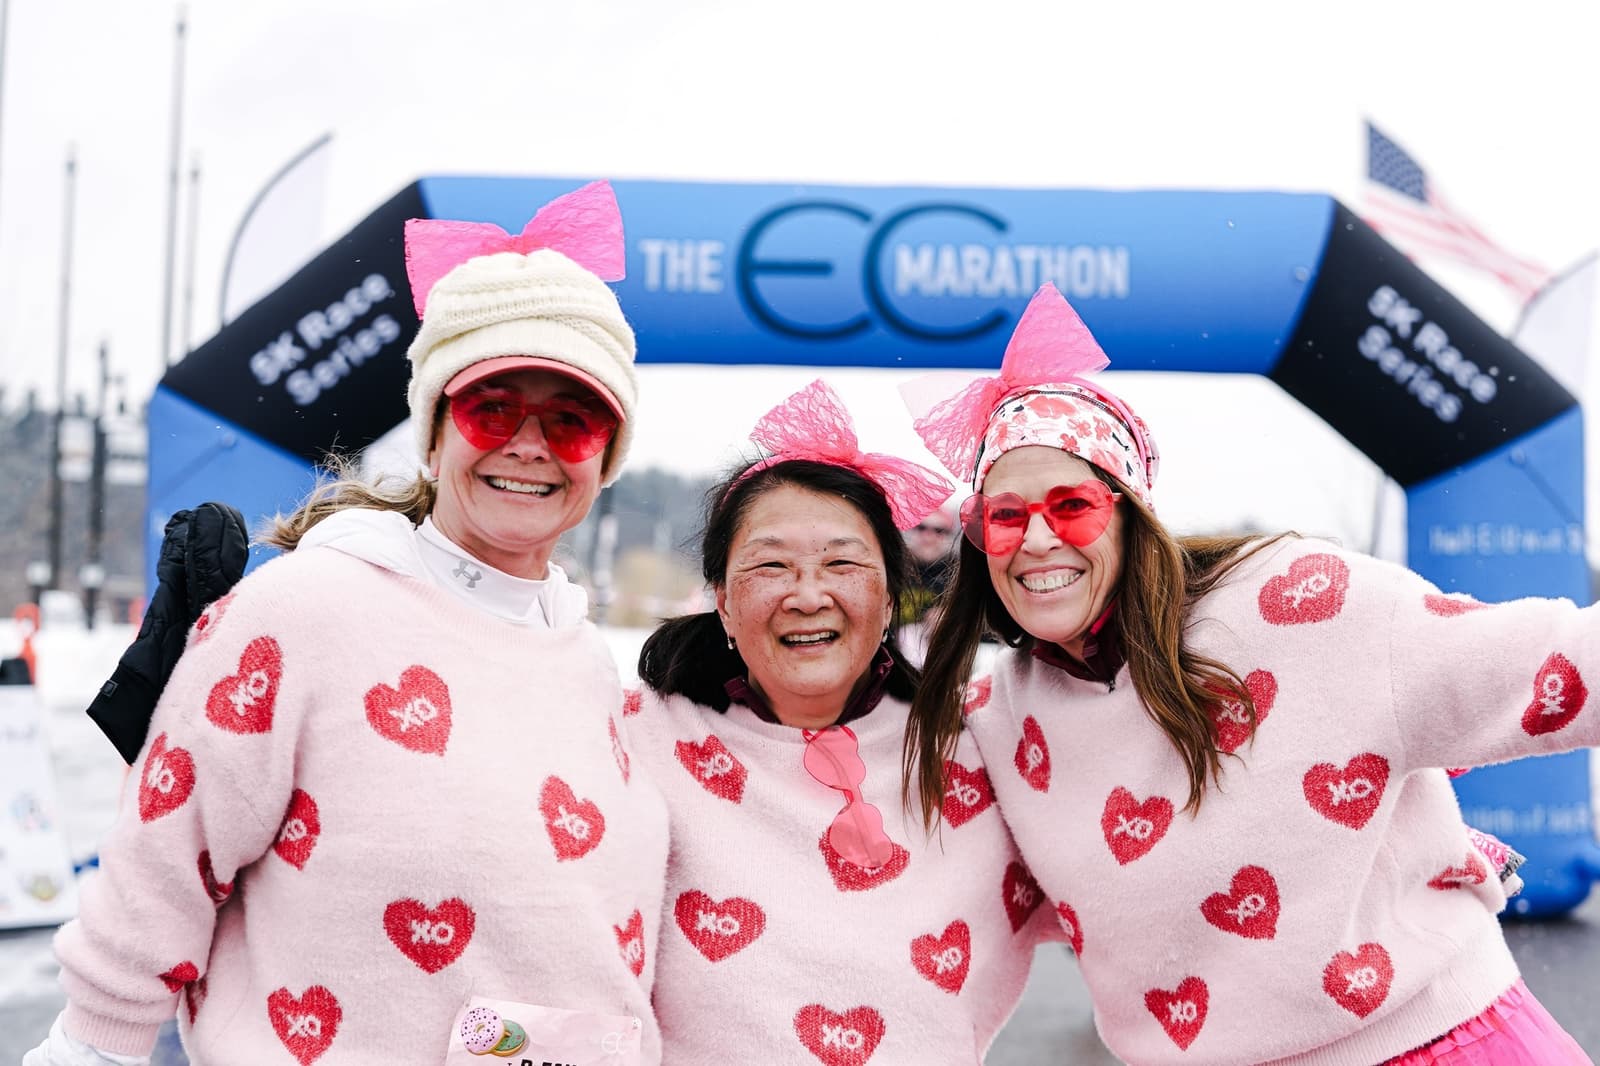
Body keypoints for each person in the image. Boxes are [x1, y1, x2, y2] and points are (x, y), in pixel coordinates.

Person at [27, 182, 669, 1065]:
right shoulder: (304, 611)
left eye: (572, 422)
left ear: (606, 457)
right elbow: (162, 864)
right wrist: (89, 1050)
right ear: (436, 433)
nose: (529, 445)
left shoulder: (593, 665)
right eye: (492, 408)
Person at [903, 282, 1595, 1065]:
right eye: (1007, 516)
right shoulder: (997, 720)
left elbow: (1557, 660)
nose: (1037, 540)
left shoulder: (1299, 602)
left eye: (1072, 507)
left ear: (1131, 515)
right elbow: (912, 904)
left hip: (1442, 1044)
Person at [628, 380, 1056, 1064]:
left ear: (889, 599)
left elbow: (1135, 894)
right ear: (723, 603)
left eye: (842, 564)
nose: (808, 595)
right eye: (771, 565)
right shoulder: (633, 739)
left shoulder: (979, 752)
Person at [896, 501, 958, 666]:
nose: (928, 537)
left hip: (940, 662)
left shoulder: (959, 575)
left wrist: (952, 621)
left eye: (938, 530)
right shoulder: (894, 568)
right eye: (922, 528)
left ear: (949, 536)